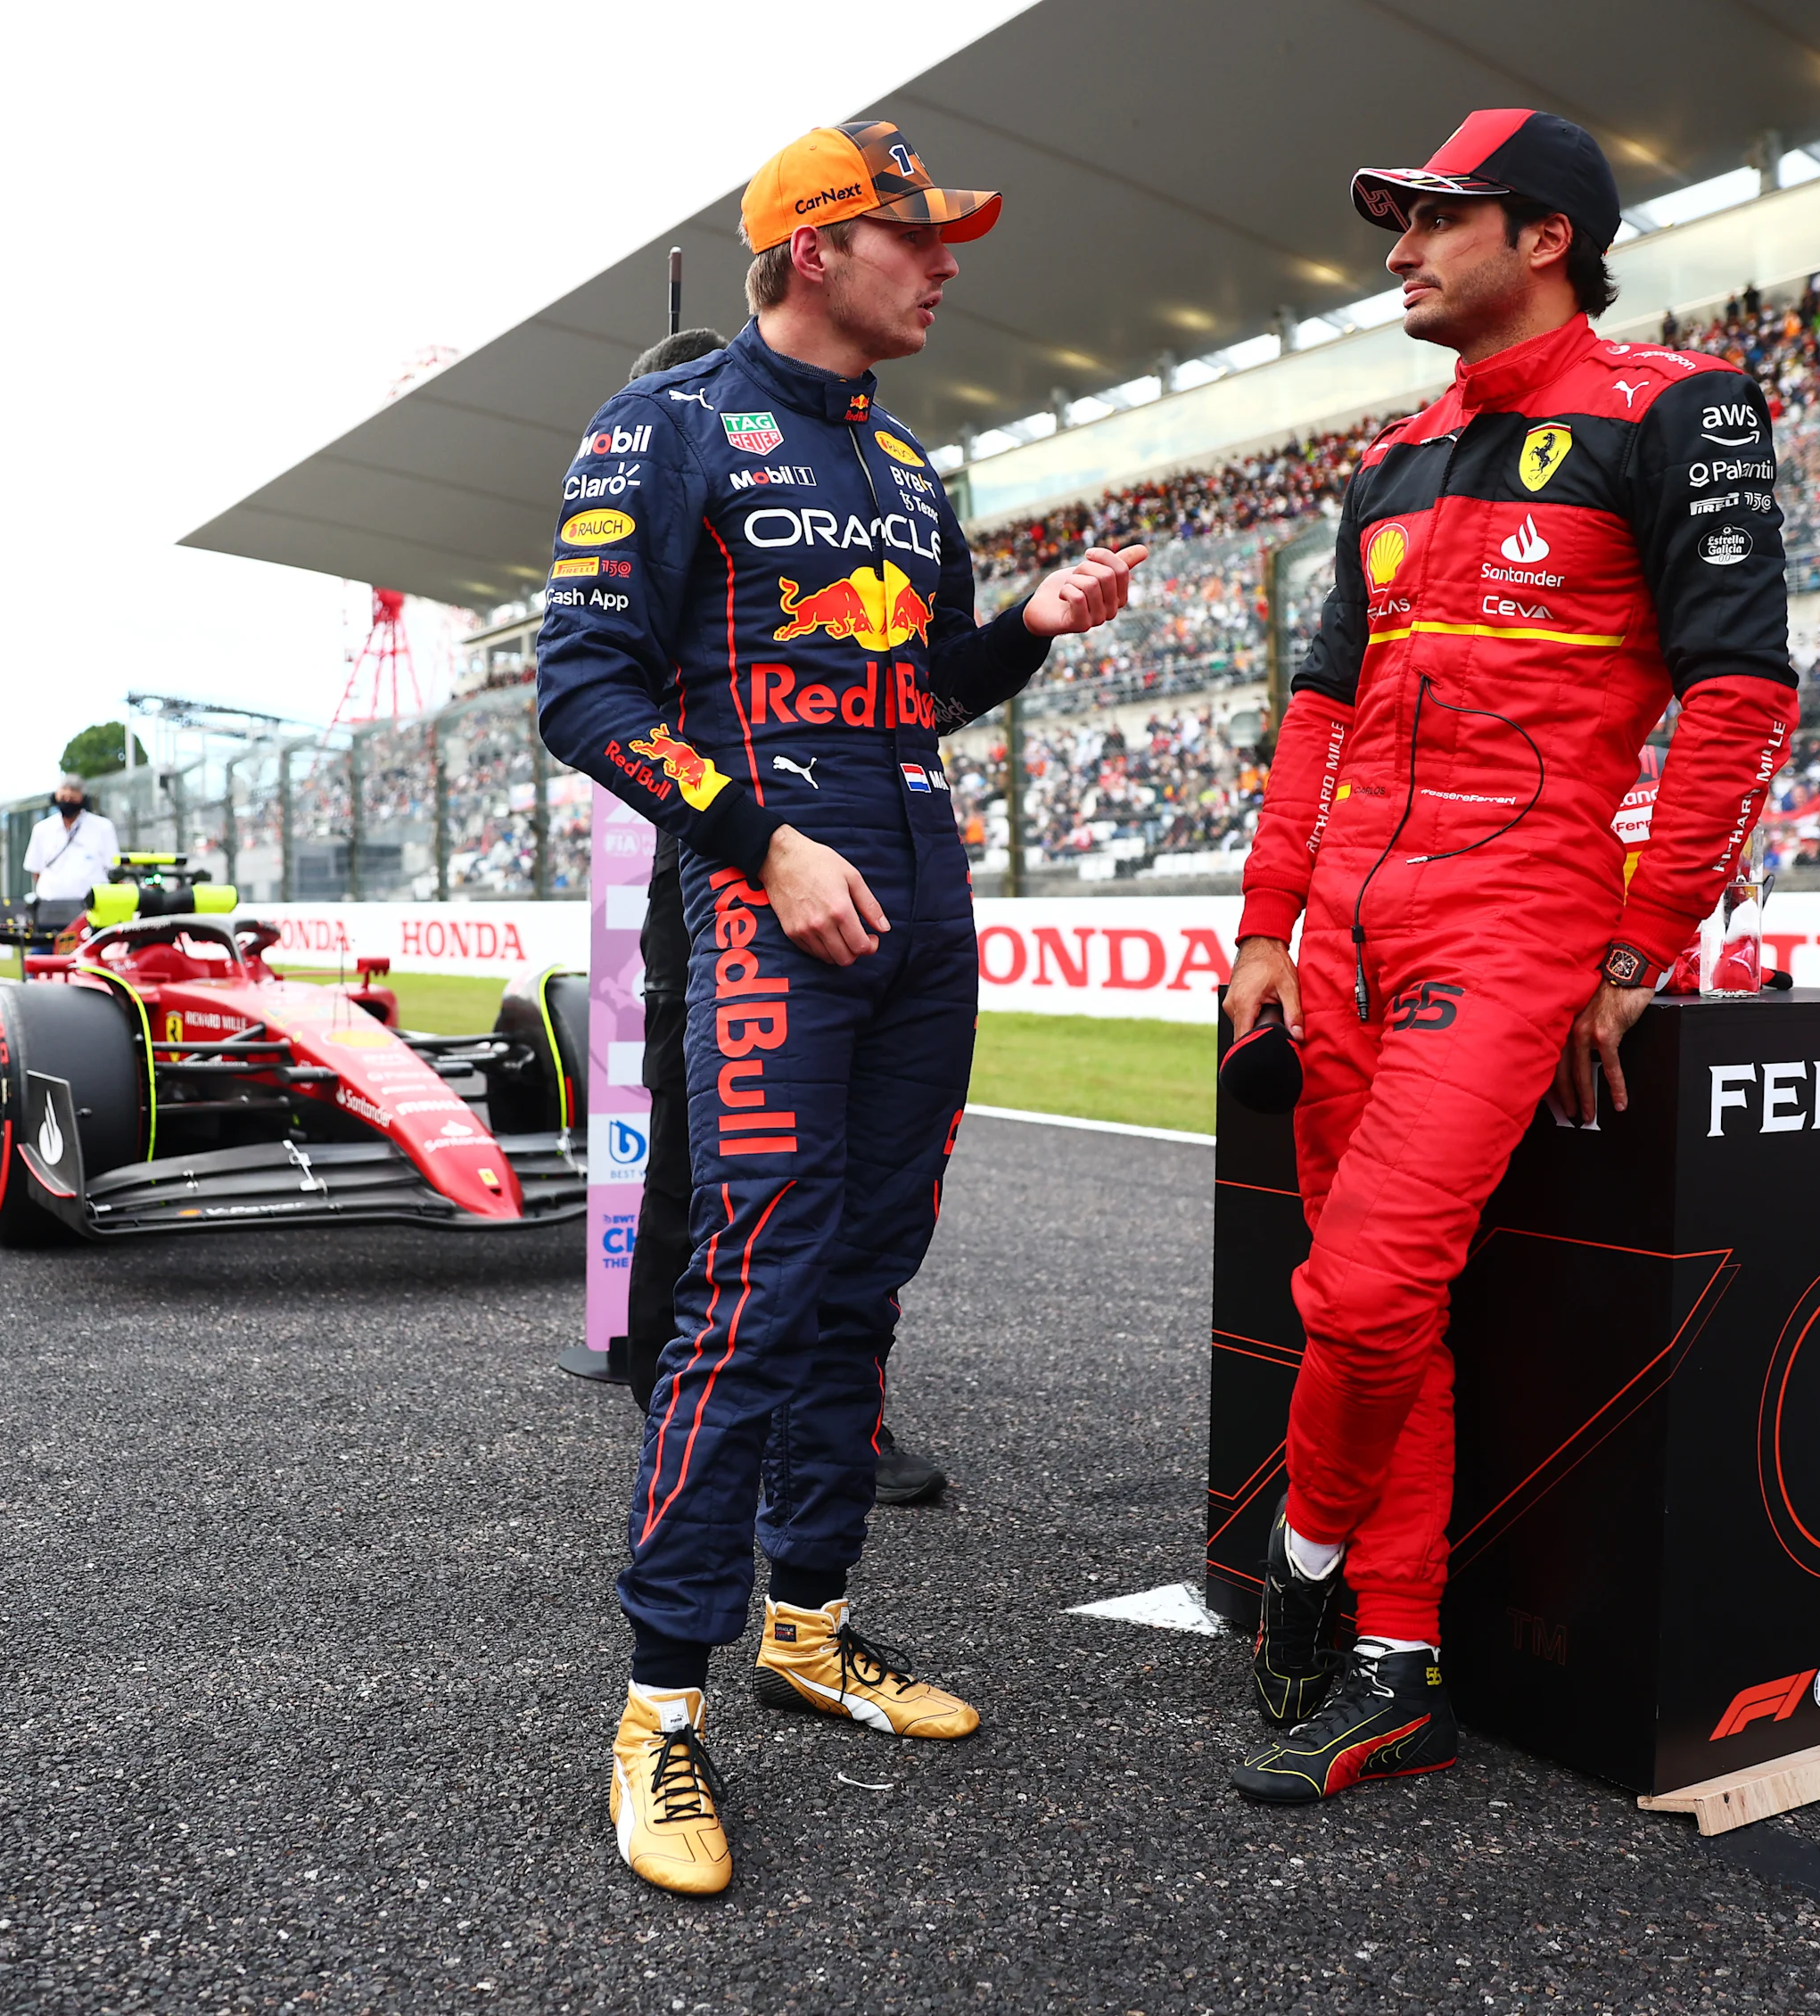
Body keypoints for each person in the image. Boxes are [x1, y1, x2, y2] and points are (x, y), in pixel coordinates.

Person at [535, 119, 1145, 1895]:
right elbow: (582, 690)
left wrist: (1027, 620)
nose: (944, 263)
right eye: (914, 236)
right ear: (814, 250)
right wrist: (761, 843)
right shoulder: (664, 426)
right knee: (752, 1289)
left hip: (921, 903)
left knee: (868, 1277)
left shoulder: (907, 463)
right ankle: (660, 1701)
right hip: (768, 914)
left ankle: (809, 1623)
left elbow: (925, 685)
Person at [1219, 110, 1799, 1804]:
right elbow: (1317, 707)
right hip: (1347, 933)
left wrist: (1646, 931)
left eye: (1431, 220)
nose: (1397, 252)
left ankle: (1305, 1577)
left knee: (1369, 1289)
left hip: (1515, 911)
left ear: (1544, 234)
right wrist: (1268, 920)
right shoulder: (1390, 464)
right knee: (1377, 1319)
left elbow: (1740, 690)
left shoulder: (1681, 410)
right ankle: (1399, 1665)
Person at [609, 326, 949, 1510]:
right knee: (704, 1154)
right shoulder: (663, 473)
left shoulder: (878, 467)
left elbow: (926, 668)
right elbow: (604, 691)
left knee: (833, 1183)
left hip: (810, 847)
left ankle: (815, 1418)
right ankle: (678, 1376)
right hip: (707, 858)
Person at [21, 776, 119, 899]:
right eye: (63, 798)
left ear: (83, 800)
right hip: (50, 904)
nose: (67, 802)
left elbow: (113, 868)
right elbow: (36, 871)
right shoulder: (42, 829)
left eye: (72, 799)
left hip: (91, 906)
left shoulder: (103, 827)